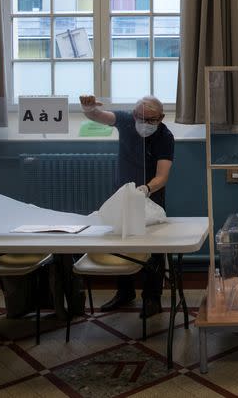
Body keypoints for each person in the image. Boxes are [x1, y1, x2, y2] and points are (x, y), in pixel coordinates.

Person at [80, 94, 174, 318]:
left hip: (150, 197)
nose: (145, 124)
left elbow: (162, 176)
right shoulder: (125, 120)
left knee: (154, 246)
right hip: (121, 195)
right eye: (141, 118)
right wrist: (89, 108)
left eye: (151, 120)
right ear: (133, 115)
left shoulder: (165, 136)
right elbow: (99, 116)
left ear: (161, 117)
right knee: (120, 240)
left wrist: (145, 190)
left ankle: (152, 298)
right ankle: (125, 292)